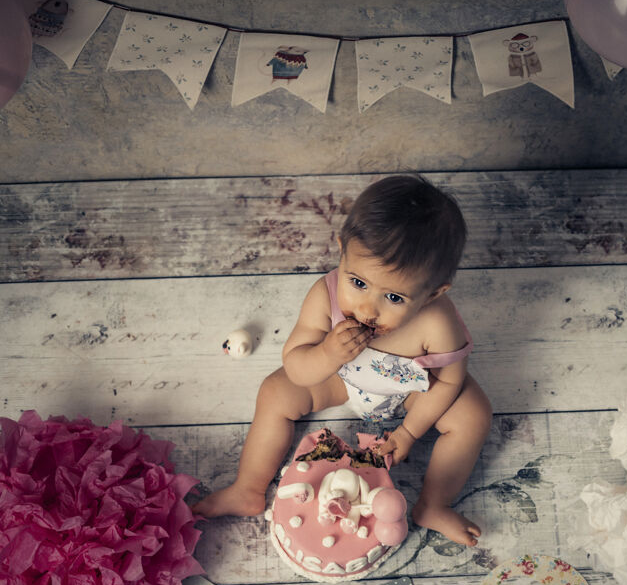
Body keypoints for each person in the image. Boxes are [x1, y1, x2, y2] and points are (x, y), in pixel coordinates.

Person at [192, 174, 493, 547]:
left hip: (412, 393)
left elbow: (448, 381)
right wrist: (328, 353)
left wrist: (409, 431)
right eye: (359, 283)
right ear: (342, 252)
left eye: (395, 299)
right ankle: (248, 488)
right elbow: (297, 368)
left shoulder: (438, 321)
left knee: (473, 414)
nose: (368, 309)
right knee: (275, 391)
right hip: (342, 379)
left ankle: (433, 503)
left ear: (433, 292)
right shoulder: (327, 294)